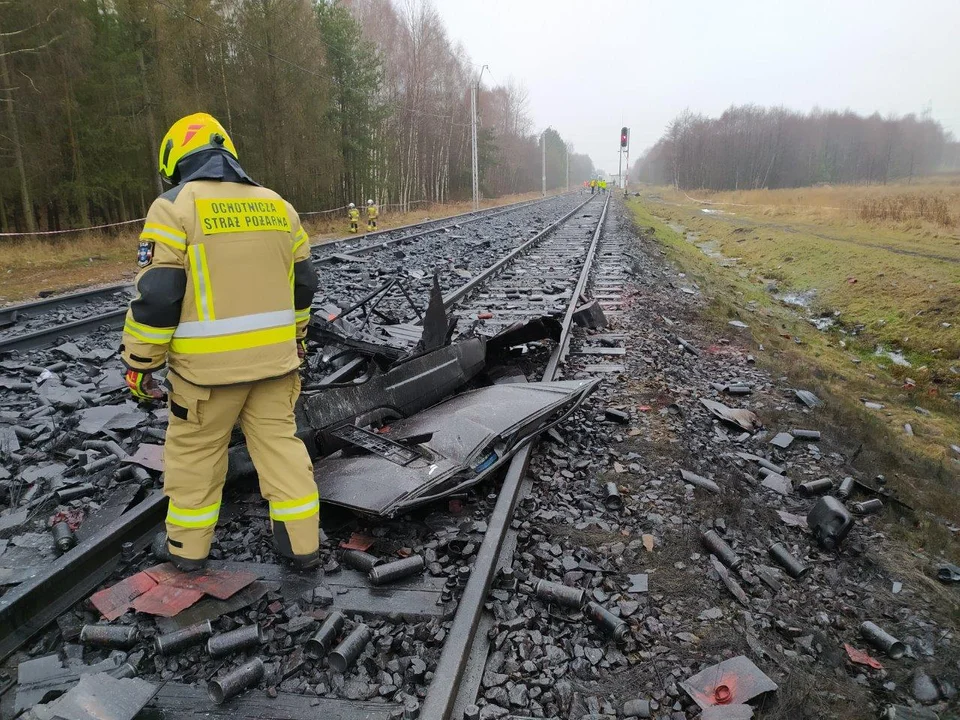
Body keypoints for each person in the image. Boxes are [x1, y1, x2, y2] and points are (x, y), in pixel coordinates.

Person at [119, 112, 321, 572]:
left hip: (206, 379)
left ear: (175, 159)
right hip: (275, 367)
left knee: (195, 457)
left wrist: (140, 362)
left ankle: (187, 552)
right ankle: (303, 545)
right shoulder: (279, 206)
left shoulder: (173, 208)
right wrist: (297, 340)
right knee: (282, 451)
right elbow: (303, 286)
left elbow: (157, 297)